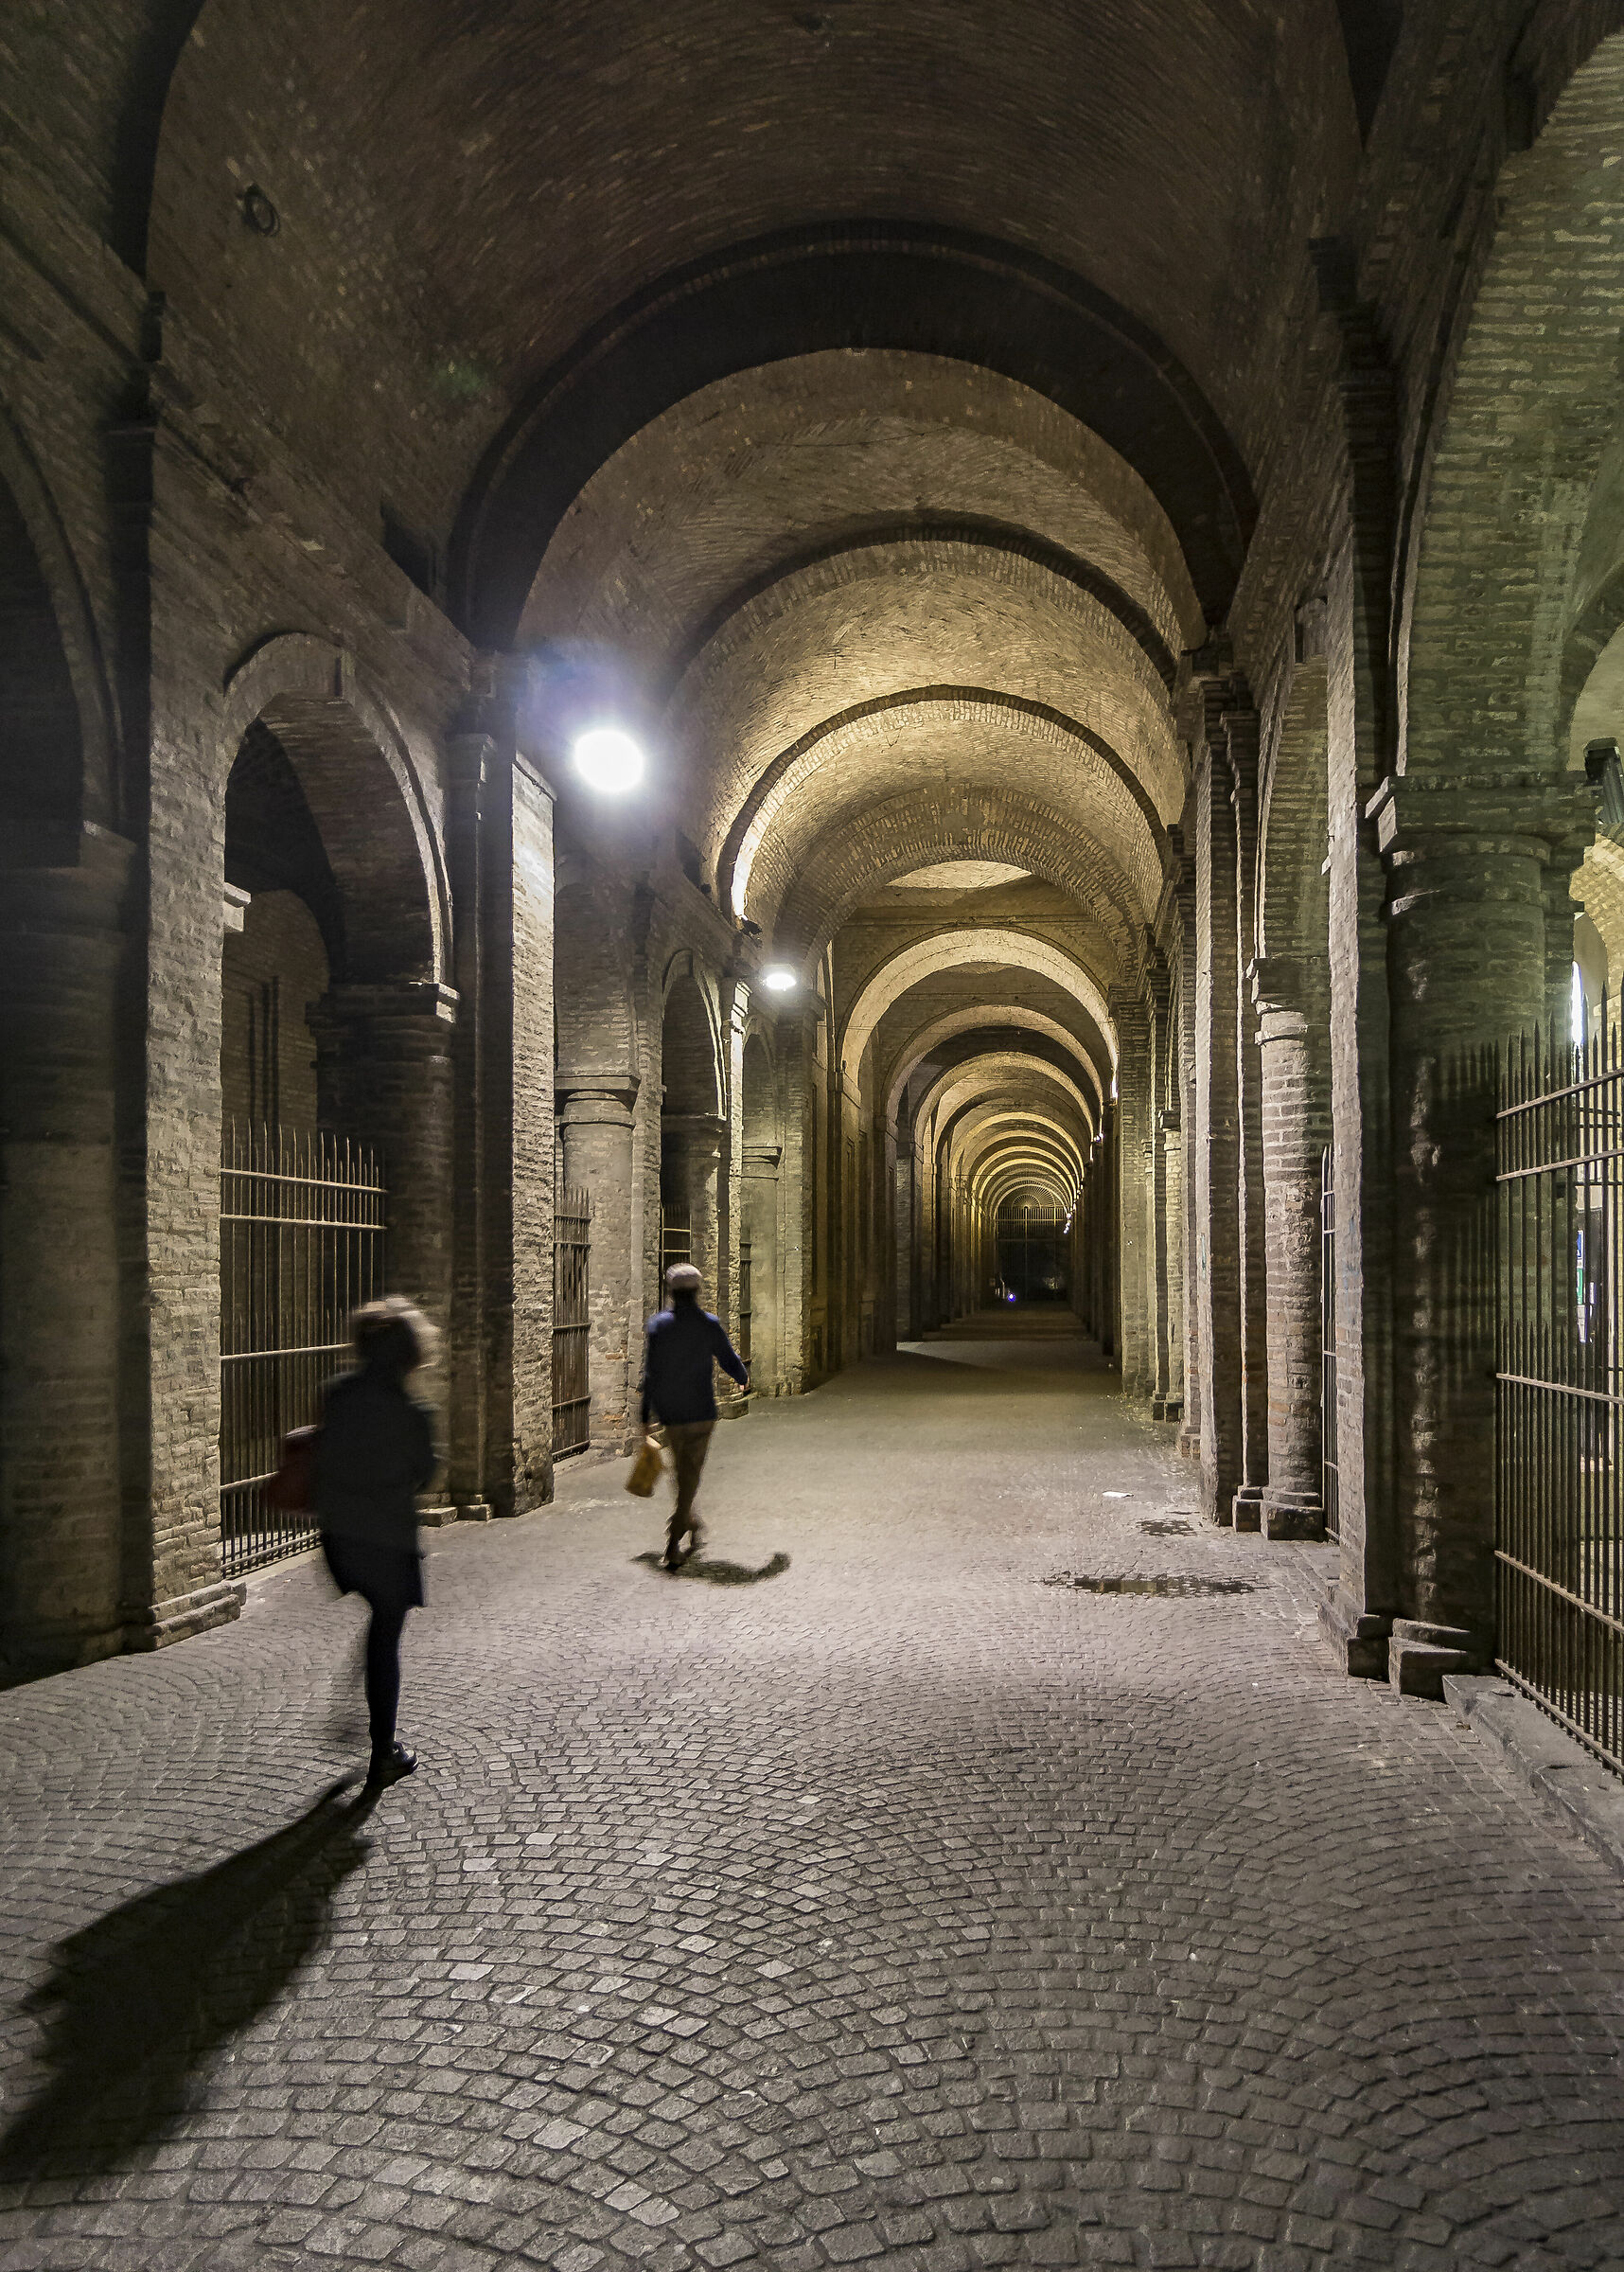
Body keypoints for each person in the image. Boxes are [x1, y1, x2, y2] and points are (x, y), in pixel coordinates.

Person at [313, 1297, 437, 1785]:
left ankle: (364, 1681)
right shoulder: (413, 1411)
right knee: (387, 1634)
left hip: (340, 1533)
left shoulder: (336, 1394)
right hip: (387, 1536)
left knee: (378, 1622)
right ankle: (382, 1751)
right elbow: (423, 1475)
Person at [641, 1263, 749, 1571]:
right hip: (701, 1411)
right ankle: (674, 1540)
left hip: (671, 1412)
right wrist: (742, 1376)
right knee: (690, 1473)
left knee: (683, 1471)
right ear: (697, 1292)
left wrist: (645, 1413)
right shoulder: (708, 1324)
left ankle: (689, 1519)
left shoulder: (658, 1326)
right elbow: (727, 1356)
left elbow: (651, 1372)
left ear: (670, 1292)